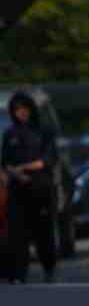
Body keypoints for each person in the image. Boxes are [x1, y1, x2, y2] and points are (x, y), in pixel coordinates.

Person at [2, 92, 59, 284]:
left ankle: (49, 267)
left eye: (24, 109)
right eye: (17, 110)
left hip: (40, 188)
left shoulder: (44, 131)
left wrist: (25, 168)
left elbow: (47, 160)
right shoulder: (10, 135)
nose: (21, 113)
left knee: (43, 233)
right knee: (17, 234)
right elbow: (6, 163)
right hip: (18, 189)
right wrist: (16, 173)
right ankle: (19, 273)